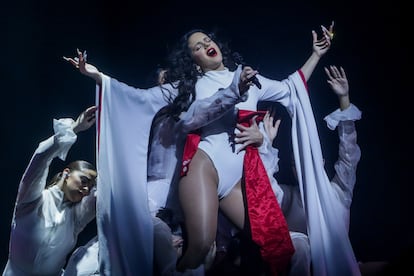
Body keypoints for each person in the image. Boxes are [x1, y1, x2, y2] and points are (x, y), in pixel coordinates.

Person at [63, 22, 348, 275]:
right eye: (197, 47)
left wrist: (316, 55)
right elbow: (147, 101)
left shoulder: (252, 79)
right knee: (200, 246)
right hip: (205, 167)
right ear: (195, 61)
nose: (206, 45)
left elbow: (291, 88)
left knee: (273, 241)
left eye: (207, 40)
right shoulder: (192, 86)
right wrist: (97, 76)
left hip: (237, 179)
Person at [259, 65, 362, 275]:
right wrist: (266, 144)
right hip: (297, 265)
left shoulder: (338, 193)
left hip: (338, 266)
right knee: (301, 245)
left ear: (321, 161)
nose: (301, 168)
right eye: (296, 165)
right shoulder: (288, 196)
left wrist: (344, 99)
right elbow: (267, 189)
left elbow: (349, 155)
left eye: (305, 162)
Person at [2, 106, 98, 276]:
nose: (86, 190)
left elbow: (103, 193)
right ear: (66, 173)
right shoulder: (31, 201)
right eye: (84, 181)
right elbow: (40, 158)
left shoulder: (76, 218)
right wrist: (74, 128)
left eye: (90, 187)